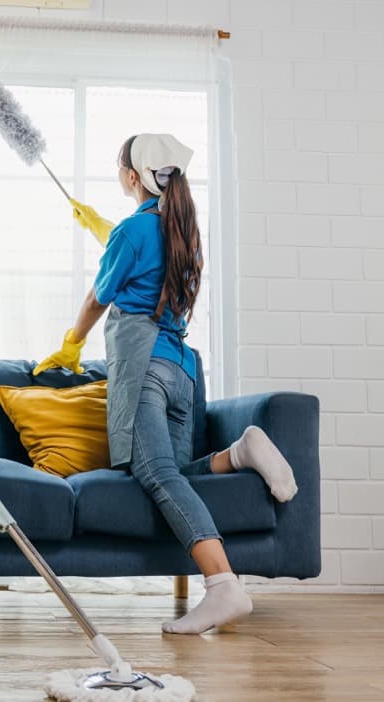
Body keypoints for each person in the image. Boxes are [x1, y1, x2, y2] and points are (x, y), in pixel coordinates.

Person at [37, 134, 298, 635]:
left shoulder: (134, 232)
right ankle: (240, 453)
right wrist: (107, 230)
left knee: (155, 474)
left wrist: (72, 341)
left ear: (133, 177)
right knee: (175, 468)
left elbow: (99, 298)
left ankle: (223, 585)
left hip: (144, 366)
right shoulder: (183, 229)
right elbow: (149, 273)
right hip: (181, 370)